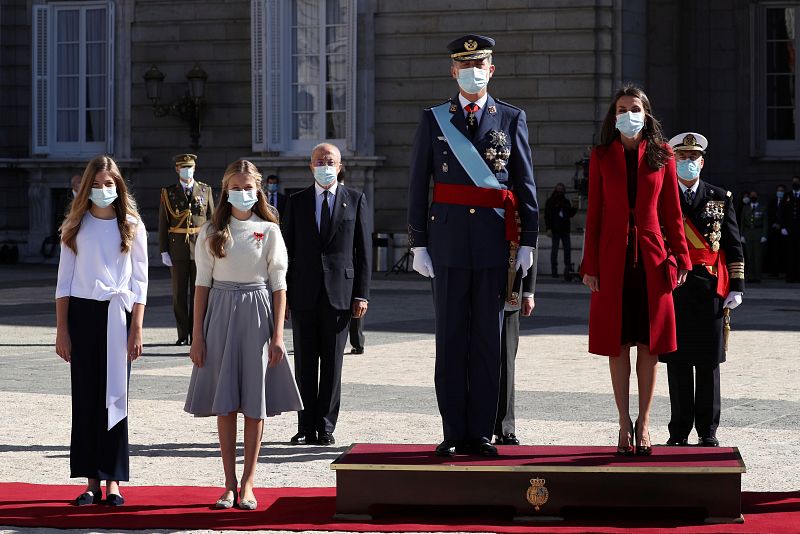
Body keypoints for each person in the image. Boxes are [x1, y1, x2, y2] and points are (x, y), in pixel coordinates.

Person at [407, 34, 539, 457]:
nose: (472, 71)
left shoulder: (510, 118)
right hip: (446, 243)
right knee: (449, 339)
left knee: (488, 340)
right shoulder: (434, 119)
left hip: (493, 243)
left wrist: (529, 242)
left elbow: (525, 182)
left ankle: (481, 431)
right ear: (453, 71)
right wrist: (418, 244)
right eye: (465, 65)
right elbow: (416, 185)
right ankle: (452, 430)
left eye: (479, 64)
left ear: (492, 69)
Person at [184, 159, 302, 511]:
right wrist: (197, 336)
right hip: (219, 313)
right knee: (226, 402)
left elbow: (279, 285)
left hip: (257, 312)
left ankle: (249, 483)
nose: (243, 193)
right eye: (236, 187)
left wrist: (279, 335)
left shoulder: (269, 231)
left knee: (254, 401)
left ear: (258, 190)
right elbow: (201, 285)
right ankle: (228, 484)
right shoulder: (209, 232)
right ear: (225, 191)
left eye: (248, 188)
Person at [579, 84, 690, 456]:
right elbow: (593, 216)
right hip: (611, 261)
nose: (628, 115)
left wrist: (682, 258)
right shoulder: (600, 156)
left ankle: (644, 422)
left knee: (649, 344)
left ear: (646, 113)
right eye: (622, 109)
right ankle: (622, 422)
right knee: (617, 343)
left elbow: (673, 214)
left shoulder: (663, 156)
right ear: (614, 115)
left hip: (653, 259)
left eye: (635, 108)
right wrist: (589, 264)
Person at [55, 155, 148, 506]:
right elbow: (63, 282)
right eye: (96, 184)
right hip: (83, 315)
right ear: (86, 187)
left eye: (109, 184)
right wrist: (62, 330)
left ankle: (114, 482)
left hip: (118, 315)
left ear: (119, 185)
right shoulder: (75, 226)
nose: (103, 190)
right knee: (86, 398)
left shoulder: (131, 224)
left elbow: (140, 281)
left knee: (116, 398)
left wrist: (136, 328)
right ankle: (91, 481)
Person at [659, 132, 745, 448]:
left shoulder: (721, 197)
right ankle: (679, 430)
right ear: (673, 161)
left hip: (710, 288)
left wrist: (736, 285)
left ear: (702, 162)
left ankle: (708, 430)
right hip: (674, 288)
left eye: (693, 158)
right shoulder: (662, 197)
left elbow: (734, 245)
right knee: (678, 361)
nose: (688, 163)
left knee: (708, 363)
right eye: (682, 158)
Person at [282, 143, 371, 446]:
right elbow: (287, 252)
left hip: (340, 294)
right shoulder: (295, 202)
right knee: (305, 364)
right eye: (319, 160)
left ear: (340, 165)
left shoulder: (355, 200)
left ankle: (326, 427)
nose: (324, 165)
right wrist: (284, 296)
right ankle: (305, 425)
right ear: (310, 166)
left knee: (333, 364)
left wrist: (362, 294)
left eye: (329, 160)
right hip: (304, 292)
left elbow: (363, 253)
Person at [158, 154, 215, 345]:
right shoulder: (169, 193)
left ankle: (198, 332)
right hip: (178, 249)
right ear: (176, 169)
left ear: (195, 168)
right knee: (179, 295)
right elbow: (163, 224)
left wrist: (213, 246)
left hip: (200, 247)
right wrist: (164, 250)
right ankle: (183, 334)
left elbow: (212, 221)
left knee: (199, 292)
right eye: (183, 167)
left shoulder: (205, 190)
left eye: (190, 167)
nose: (187, 170)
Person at [494, 262, 536, 446]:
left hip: (510, 287)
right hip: (476, 287)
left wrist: (528, 292)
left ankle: (505, 427)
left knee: (506, 362)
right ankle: (477, 427)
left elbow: (530, 242)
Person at [544, 183, 577, 280]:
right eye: (558, 189)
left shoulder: (566, 201)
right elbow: (547, 215)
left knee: (567, 250)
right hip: (555, 230)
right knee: (555, 250)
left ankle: (567, 270)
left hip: (565, 229)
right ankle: (554, 271)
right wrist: (548, 228)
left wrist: (575, 207)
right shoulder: (551, 201)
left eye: (562, 189)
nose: (560, 191)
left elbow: (570, 214)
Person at [740, 191, 767, 283]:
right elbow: (742, 222)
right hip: (748, 234)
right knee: (749, 256)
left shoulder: (762, 208)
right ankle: (750, 276)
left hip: (758, 233)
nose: (753, 197)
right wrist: (742, 235)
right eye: (751, 195)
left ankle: (757, 276)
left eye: (754, 195)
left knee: (758, 256)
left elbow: (765, 222)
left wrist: (764, 235)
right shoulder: (745, 208)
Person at [766, 184, 788, 277]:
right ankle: (774, 272)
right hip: (774, 230)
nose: (780, 192)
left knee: (785, 251)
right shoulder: (773, 202)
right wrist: (773, 224)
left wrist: (782, 225)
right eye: (778, 190)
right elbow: (769, 214)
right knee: (773, 251)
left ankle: (785, 271)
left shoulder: (787, 201)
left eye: (782, 191)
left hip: (784, 230)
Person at [784, 176, 800, 282]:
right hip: (789, 229)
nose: (795, 184)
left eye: (797, 182)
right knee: (790, 253)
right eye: (794, 182)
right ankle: (790, 276)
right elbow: (782, 211)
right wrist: (783, 226)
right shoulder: (787, 195)